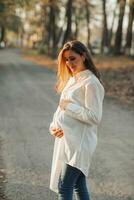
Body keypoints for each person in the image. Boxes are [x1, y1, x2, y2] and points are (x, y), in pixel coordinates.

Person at [49, 40, 105, 200]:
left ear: (84, 56)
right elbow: (61, 108)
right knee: (78, 185)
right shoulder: (74, 80)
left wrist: (70, 107)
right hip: (67, 142)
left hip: (79, 144)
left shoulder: (91, 83)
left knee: (64, 186)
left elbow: (95, 117)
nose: (68, 63)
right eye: (66, 59)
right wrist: (53, 126)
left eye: (72, 58)